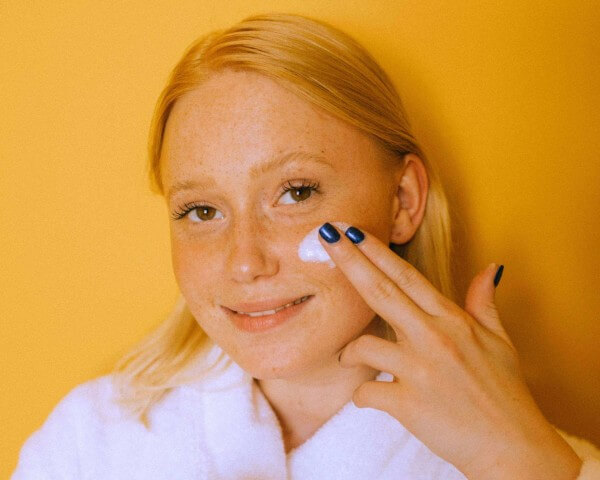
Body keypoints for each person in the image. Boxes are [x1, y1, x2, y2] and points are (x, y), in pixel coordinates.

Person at [11, 12, 600, 480]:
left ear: (402, 202)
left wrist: (518, 463)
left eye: (295, 193)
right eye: (202, 210)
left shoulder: (528, 462)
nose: (245, 261)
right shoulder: (91, 443)